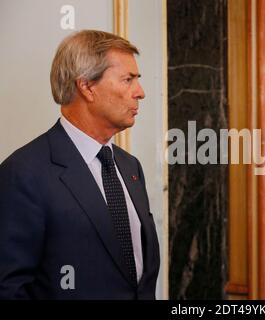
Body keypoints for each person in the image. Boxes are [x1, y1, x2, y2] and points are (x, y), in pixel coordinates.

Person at [0, 30, 160, 299]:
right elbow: (8, 287)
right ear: (86, 87)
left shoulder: (130, 167)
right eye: (128, 79)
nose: (140, 92)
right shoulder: (23, 173)